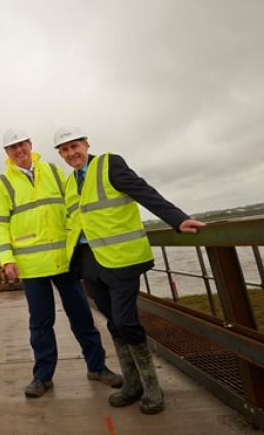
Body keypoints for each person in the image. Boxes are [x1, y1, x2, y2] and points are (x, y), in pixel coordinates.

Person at [53, 126, 206, 415]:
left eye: (76, 146)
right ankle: (132, 385)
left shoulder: (109, 164)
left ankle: (151, 387)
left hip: (122, 259)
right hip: (90, 261)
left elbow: (143, 191)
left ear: (86, 143)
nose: (72, 153)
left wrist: (178, 219)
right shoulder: (71, 181)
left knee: (125, 321)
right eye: (65, 149)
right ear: (60, 155)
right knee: (113, 322)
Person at [0, 128, 122, 398]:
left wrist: (75, 241)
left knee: (83, 317)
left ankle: (97, 367)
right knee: (40, 323)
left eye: (22, 144)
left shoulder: (52, 170)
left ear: (30, 144)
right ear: (7, 153)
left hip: (64, 260)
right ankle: (43, 377)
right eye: (12, 147)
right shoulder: (3, 183)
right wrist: (7, 259)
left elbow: (73, 206)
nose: (19, 150)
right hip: (32, 266)